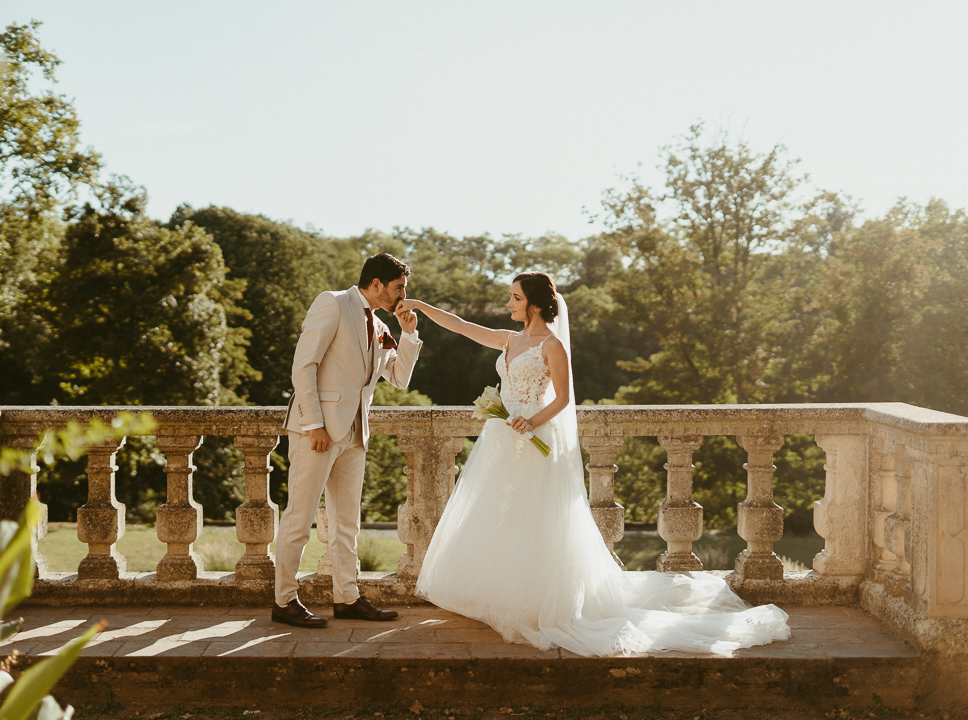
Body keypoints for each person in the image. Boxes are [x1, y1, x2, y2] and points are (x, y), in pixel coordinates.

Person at [397, 272, 790, 656]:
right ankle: (498, 595)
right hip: (501, 442)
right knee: (498, 515)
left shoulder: (552, 346)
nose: (509, 303)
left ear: (533, 303)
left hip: (533, 437)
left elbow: (564, 399)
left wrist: (530, 421)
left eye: (515, 297)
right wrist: (418, 305)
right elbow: (461, 325)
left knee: (537, 519)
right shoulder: (509, 341)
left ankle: (538, 602)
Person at [273, 253, 422, 629]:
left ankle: (348, 597)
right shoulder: (332, 303)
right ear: (377, 285)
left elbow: (400, 378)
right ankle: (284, 601)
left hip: (355, 432)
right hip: (318, 432)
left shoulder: (379, 323)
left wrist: (408, 333)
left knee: (346, 522)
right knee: (300, 517)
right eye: (398, 288)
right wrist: (314, 425)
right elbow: (303, 366)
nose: (403, 294)